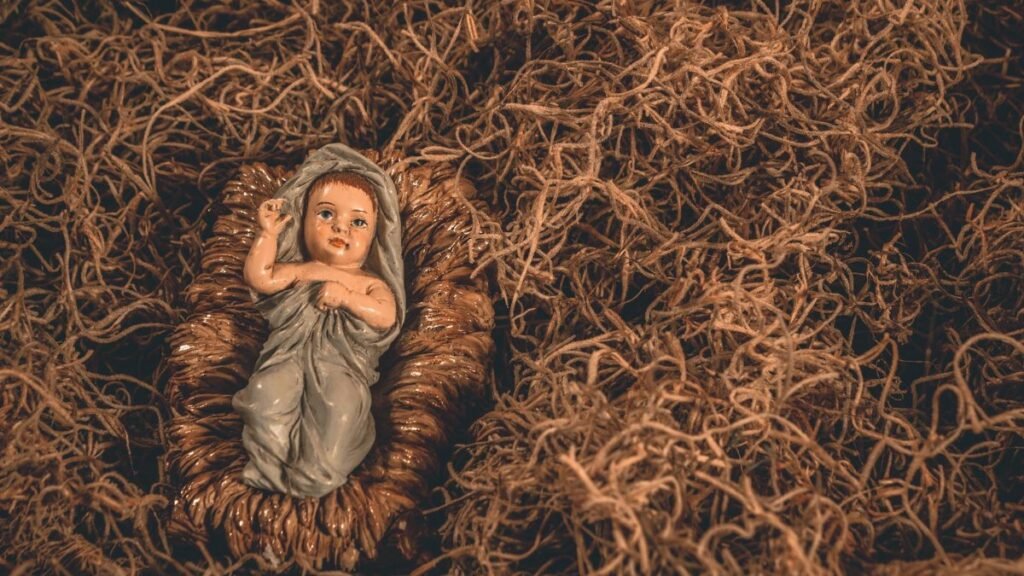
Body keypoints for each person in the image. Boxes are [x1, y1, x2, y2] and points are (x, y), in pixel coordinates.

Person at [232, 144, 405, 499]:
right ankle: (273, 464)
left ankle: (315, 474)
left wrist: (348, 298)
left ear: (375, 237)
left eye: (358, 222)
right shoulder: (302, 270)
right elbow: (260, 278)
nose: (341, 227)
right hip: (289, 358)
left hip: (341, 368)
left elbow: (386, 315)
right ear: (303, 218)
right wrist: (267, 235)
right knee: (265, 395)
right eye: (326, 214)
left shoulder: (370, 282)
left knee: (340, 411)